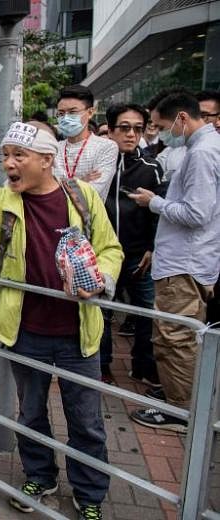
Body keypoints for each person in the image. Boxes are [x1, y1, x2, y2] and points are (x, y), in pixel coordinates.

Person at [0, 121, 123, 520]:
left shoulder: (82, 196)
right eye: (5, 157)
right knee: (31, 414)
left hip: (78, 333)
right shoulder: (1, 200)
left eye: (19, 156)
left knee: (85, 421)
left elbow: (110, 248)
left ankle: (89, 495)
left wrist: (99, 280)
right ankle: (40, 476)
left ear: (47, 161)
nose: (9, 164)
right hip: (24, 331)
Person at [129, 91, 220, 432]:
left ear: (182, 118)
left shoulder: (202, 153)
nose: (160, 131)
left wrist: (154, 203)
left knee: (175, 337)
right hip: (190, 258)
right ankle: (177, 394)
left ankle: (180, 410)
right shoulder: (203, 149)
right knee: (178, 335)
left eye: (160, 125)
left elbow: (196, 213)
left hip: (185, 262)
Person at [101, 103, 165, 387]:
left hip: (139, 255)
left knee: (147, 313)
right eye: (124, 128)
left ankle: (143, 365)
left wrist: (152, 247)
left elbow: (158, 212)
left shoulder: (151, 166)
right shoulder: (99, 163)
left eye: (138, 129)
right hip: (102, 255)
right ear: (111, 129)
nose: (131, 134)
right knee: (101, 314)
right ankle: (102, 367)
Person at [54, 85, 119, 201]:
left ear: (90, 112)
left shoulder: (106, 147)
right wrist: (81, 181)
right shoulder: (54, 149)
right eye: (61, 113)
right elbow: (44, 193)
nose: (66, 118)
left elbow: (92, 192)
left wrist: (62, 185)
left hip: (90, 217)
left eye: (72, 112)